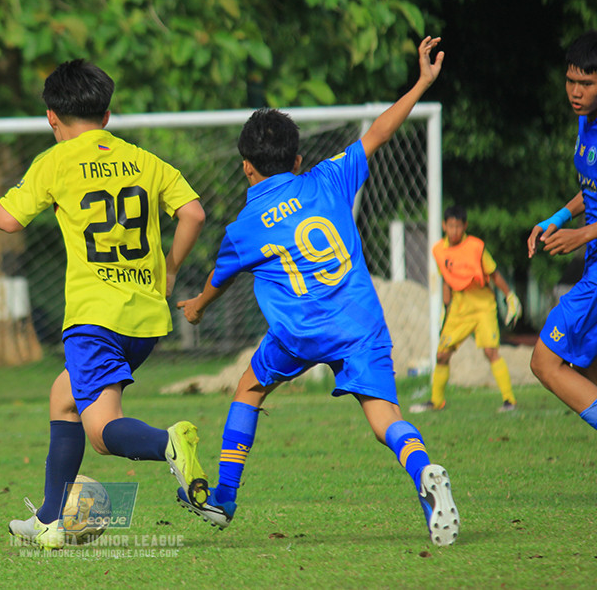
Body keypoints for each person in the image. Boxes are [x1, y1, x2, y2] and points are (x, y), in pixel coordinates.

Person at [175, 37, 461, 546]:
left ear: (246, 166)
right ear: (298, 158)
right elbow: (379, 131)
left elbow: (219, 279)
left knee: (250, 387)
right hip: (359, 322)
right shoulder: (329, 178)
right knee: (384, 417)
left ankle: (225, 497)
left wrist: (196, 306)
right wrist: (421, 82)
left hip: (299, 333)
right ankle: (423, 471)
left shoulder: (244, 227)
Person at [0, 59, 209, 550]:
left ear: (52, 117)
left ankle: (166, 442)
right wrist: (169, 269)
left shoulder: (55, 162)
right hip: (145, 320)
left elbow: (7, 219)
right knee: (64, 399)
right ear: (107, 114)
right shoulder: (144, 160)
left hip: (94, 319)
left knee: (101, 432)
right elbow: (194, 213)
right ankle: (49, 521)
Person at [526, 30, 597, 431]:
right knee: (588, 371)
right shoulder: (585, 122)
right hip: (593, 263)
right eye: (570, 81)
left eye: (586, 83)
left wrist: (582, 235)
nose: (575, 91)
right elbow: (591, 190)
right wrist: (557, 219)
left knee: (545, 361)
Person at [410, 205, 522, 414]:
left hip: (482, 305)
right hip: (459, 308)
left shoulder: (476, 247)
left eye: (458, 226)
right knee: (442, 355)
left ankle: (509, 400)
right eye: (450, 226)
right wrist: (445, 308)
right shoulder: (438, 250)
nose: (454, 230)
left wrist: (509, 296)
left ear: (465, 226)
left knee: (490, 352)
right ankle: (436, 401)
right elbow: (446, 279)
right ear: (444, 226)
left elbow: (494, 273)